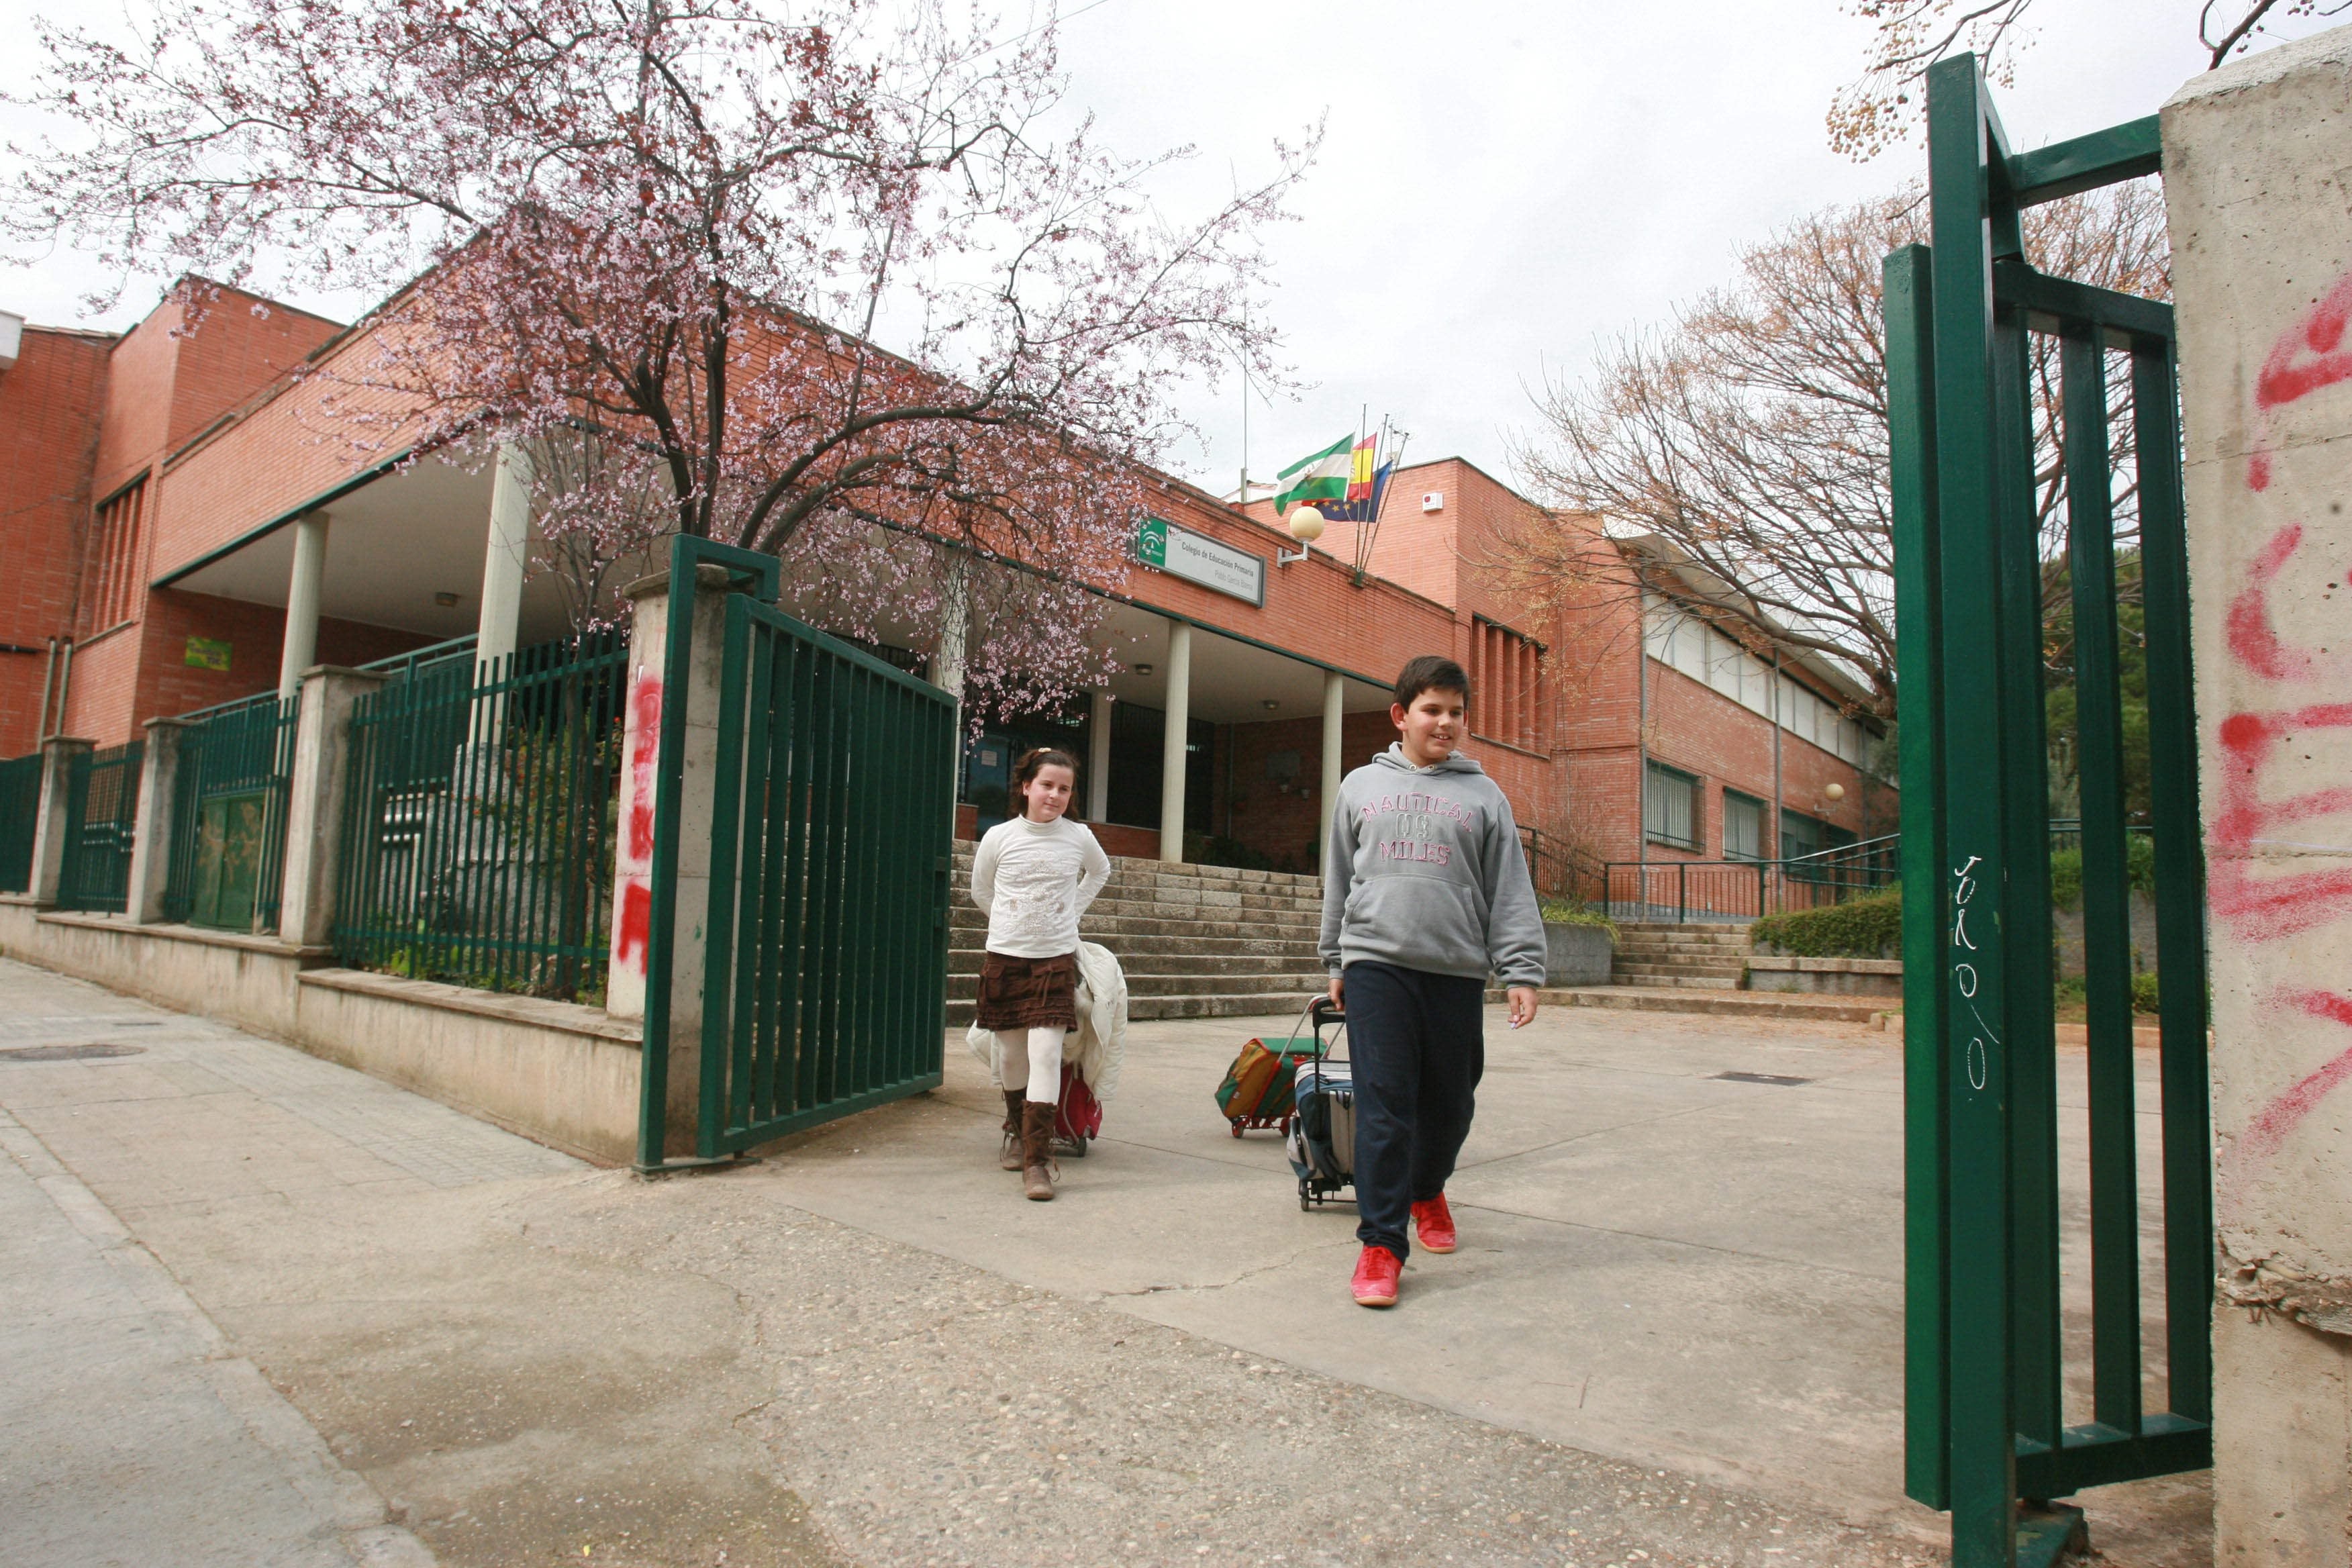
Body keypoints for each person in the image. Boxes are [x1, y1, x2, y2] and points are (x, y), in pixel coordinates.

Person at [1319, 655, 1547, 1307]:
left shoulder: (1485, 796)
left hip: (1455, 967)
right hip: (1376, 963)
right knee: (1384, 1104)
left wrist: (1521, 968)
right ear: (1402, 715)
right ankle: (1382, 1243)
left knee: (1450, 1105)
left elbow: (1508, 886)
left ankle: (1427, 1188)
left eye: (1456, 711)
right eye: (1432, 709)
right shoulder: (1360, 785)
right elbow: (1339, 875)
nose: (1445, 722)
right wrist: (1335, 960)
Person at [968, 746, 1111, 1201]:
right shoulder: (999, 836)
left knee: (1046, 1054)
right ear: (1026, 786)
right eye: (1047, 785)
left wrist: (1071, 912)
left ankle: (1037, 1161)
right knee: (1013, 1058)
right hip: (1005, 960)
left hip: (1055, 961)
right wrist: (1009, 921)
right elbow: (980, 889)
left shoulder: (1079, 837)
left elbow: (1100, 872)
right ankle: (1017, 1131)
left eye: (1064, 789)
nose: (1055, 795)